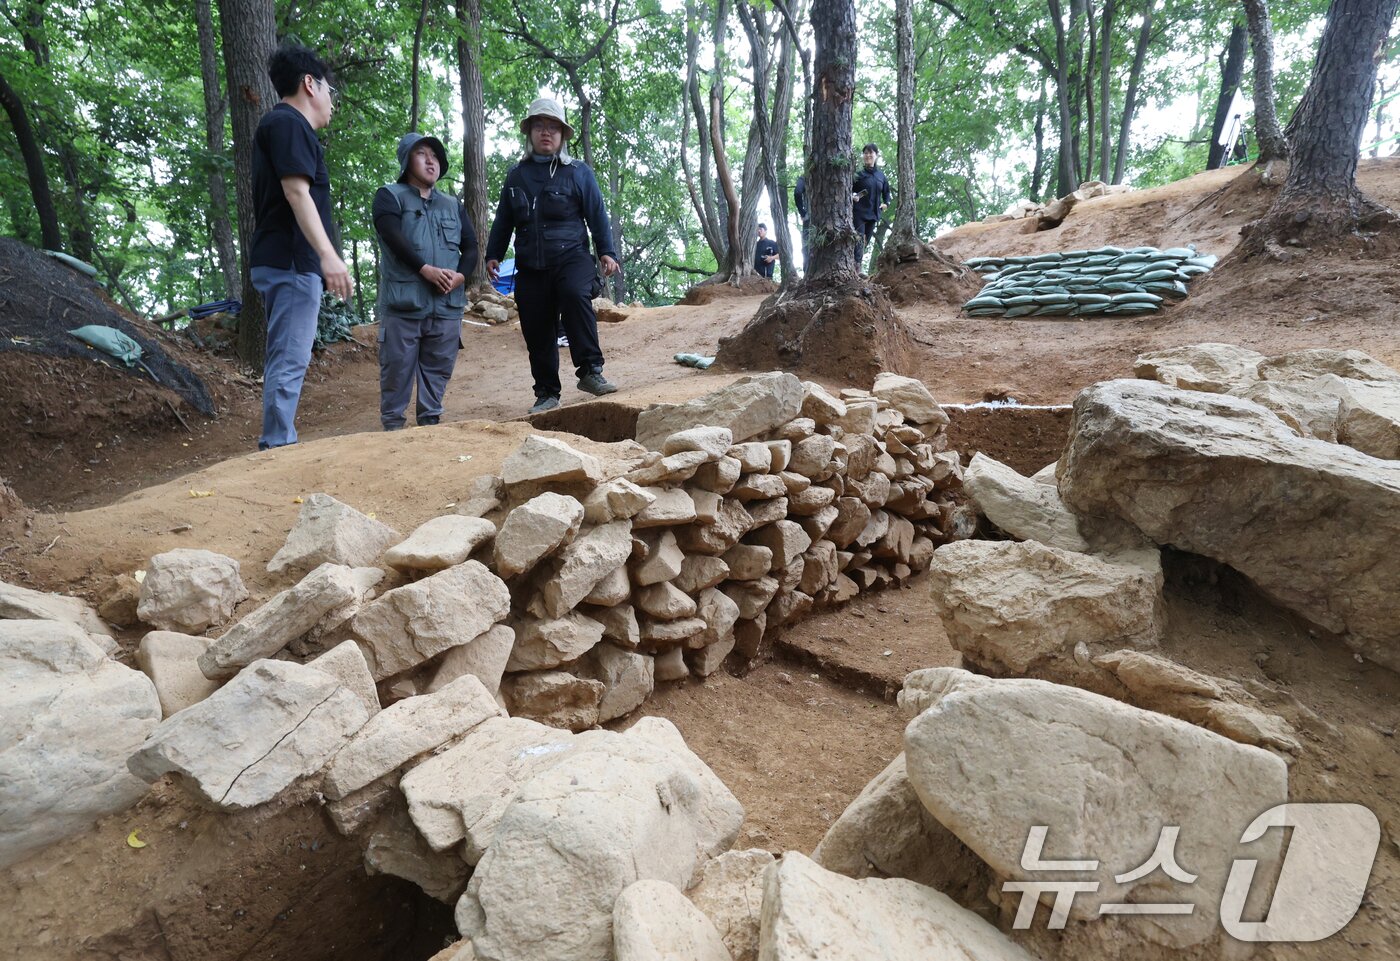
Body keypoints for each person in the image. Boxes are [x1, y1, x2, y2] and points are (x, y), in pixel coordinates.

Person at [485, 98, 619, 415]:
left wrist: (606, 251)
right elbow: (503, 219)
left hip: (571, 256)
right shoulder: (516, 176)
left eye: (553, 127)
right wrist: (494, 254)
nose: (546, 132)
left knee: (574, 293)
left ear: (562, 135)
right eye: (539, 126)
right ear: (530, 132)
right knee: (536, 323)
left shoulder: (578, 173)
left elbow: (597, 213)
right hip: (530, 264)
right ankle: (546, 392)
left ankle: (590, 371)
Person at [249, 44, 352, 451]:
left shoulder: (282, 126)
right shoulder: (288, 123)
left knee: (288, 354)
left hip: (284, 260)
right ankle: (278, 445)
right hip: (291, 260)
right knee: (290, 357)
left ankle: (279, 441)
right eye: (329, 90)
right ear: (310, 84)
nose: (331, 102)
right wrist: (328, 255)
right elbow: (296, 192)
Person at [372, 132, 477, 431]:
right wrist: (424, 269)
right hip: (403, 305)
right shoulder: (389, 196)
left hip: (446, 306)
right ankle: (393, 429)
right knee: (396, 371)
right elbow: (392, 238)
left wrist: (460, 276)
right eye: (422, 154)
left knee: (439, 371)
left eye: (435, 156)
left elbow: (471, 246)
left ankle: (430, 426)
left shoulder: (452, 204)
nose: (431, 161)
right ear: (407, 161)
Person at [851, 143, 891, 274]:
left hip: (873, 214)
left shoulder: (881, 176)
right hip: (859, 213)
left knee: (865, 241)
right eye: (866, 153)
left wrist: (886, 204)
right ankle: (857, 269)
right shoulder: (858, 175)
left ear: (876, 155)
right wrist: (853, 196)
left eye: (871, 153)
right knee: (858, 239)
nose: (868, 155)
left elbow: (886, 193)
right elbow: (847, 189)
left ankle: (854, 265)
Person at [793, 175, 810, 268]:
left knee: (807, 247)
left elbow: (797, 192)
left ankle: (807, 271)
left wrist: (803, 213)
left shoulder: (805, 177)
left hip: (809, 218)